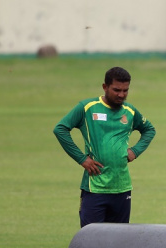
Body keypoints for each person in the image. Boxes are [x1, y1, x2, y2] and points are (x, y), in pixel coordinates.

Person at [53, 67, 156, 227]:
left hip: (122, 187)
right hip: (95, 187)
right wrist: (82, 159)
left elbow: (149, 129)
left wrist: (135, 151)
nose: (121, 95)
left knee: (119, 238)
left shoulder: (130, 111)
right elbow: (60, 129)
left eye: (125, 90)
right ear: (105, 87)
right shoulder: (87, 107)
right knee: (90, 237)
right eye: (116, 90)